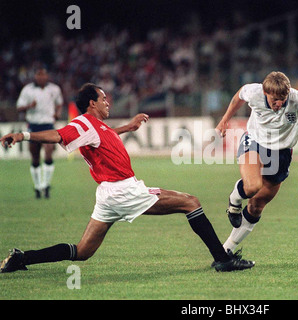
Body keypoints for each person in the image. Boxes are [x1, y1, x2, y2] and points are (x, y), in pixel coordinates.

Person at [0, 83, 254, 273]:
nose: (107, 102)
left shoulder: (96, 126)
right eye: (103, 99)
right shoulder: (83, 123)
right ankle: (223, 259)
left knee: (83, 251)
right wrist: (23, 135)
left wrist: (128, 127)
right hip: (123, 191)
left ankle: (22, 258)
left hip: (109, 195)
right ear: (91, 103)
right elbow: (58, 135)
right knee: (191, 202)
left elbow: (105, 135)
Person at [215, 71, 298, 254]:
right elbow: (238, 96)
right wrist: (224, 119)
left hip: (282, 154)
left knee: (256, 206)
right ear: (265, 93)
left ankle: (226, 250)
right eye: (274, 100)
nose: (279, 103)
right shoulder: (255, 92)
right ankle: (234, 200)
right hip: (254, 142)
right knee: (252, 186)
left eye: (282, 99)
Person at [16, 67, 64, 199]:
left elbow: (59, 103)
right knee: (35, 157)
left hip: (48, 125)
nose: (41, 77)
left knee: (49, 153)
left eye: (43, 75)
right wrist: (29, 106)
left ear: (47, 76)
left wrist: (58, 113)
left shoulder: (54, 89)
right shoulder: (27, 90)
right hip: (34, 125)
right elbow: (19, 107)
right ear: (35, 76)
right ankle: (37, 187)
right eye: (39, 75)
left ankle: (46, 185)